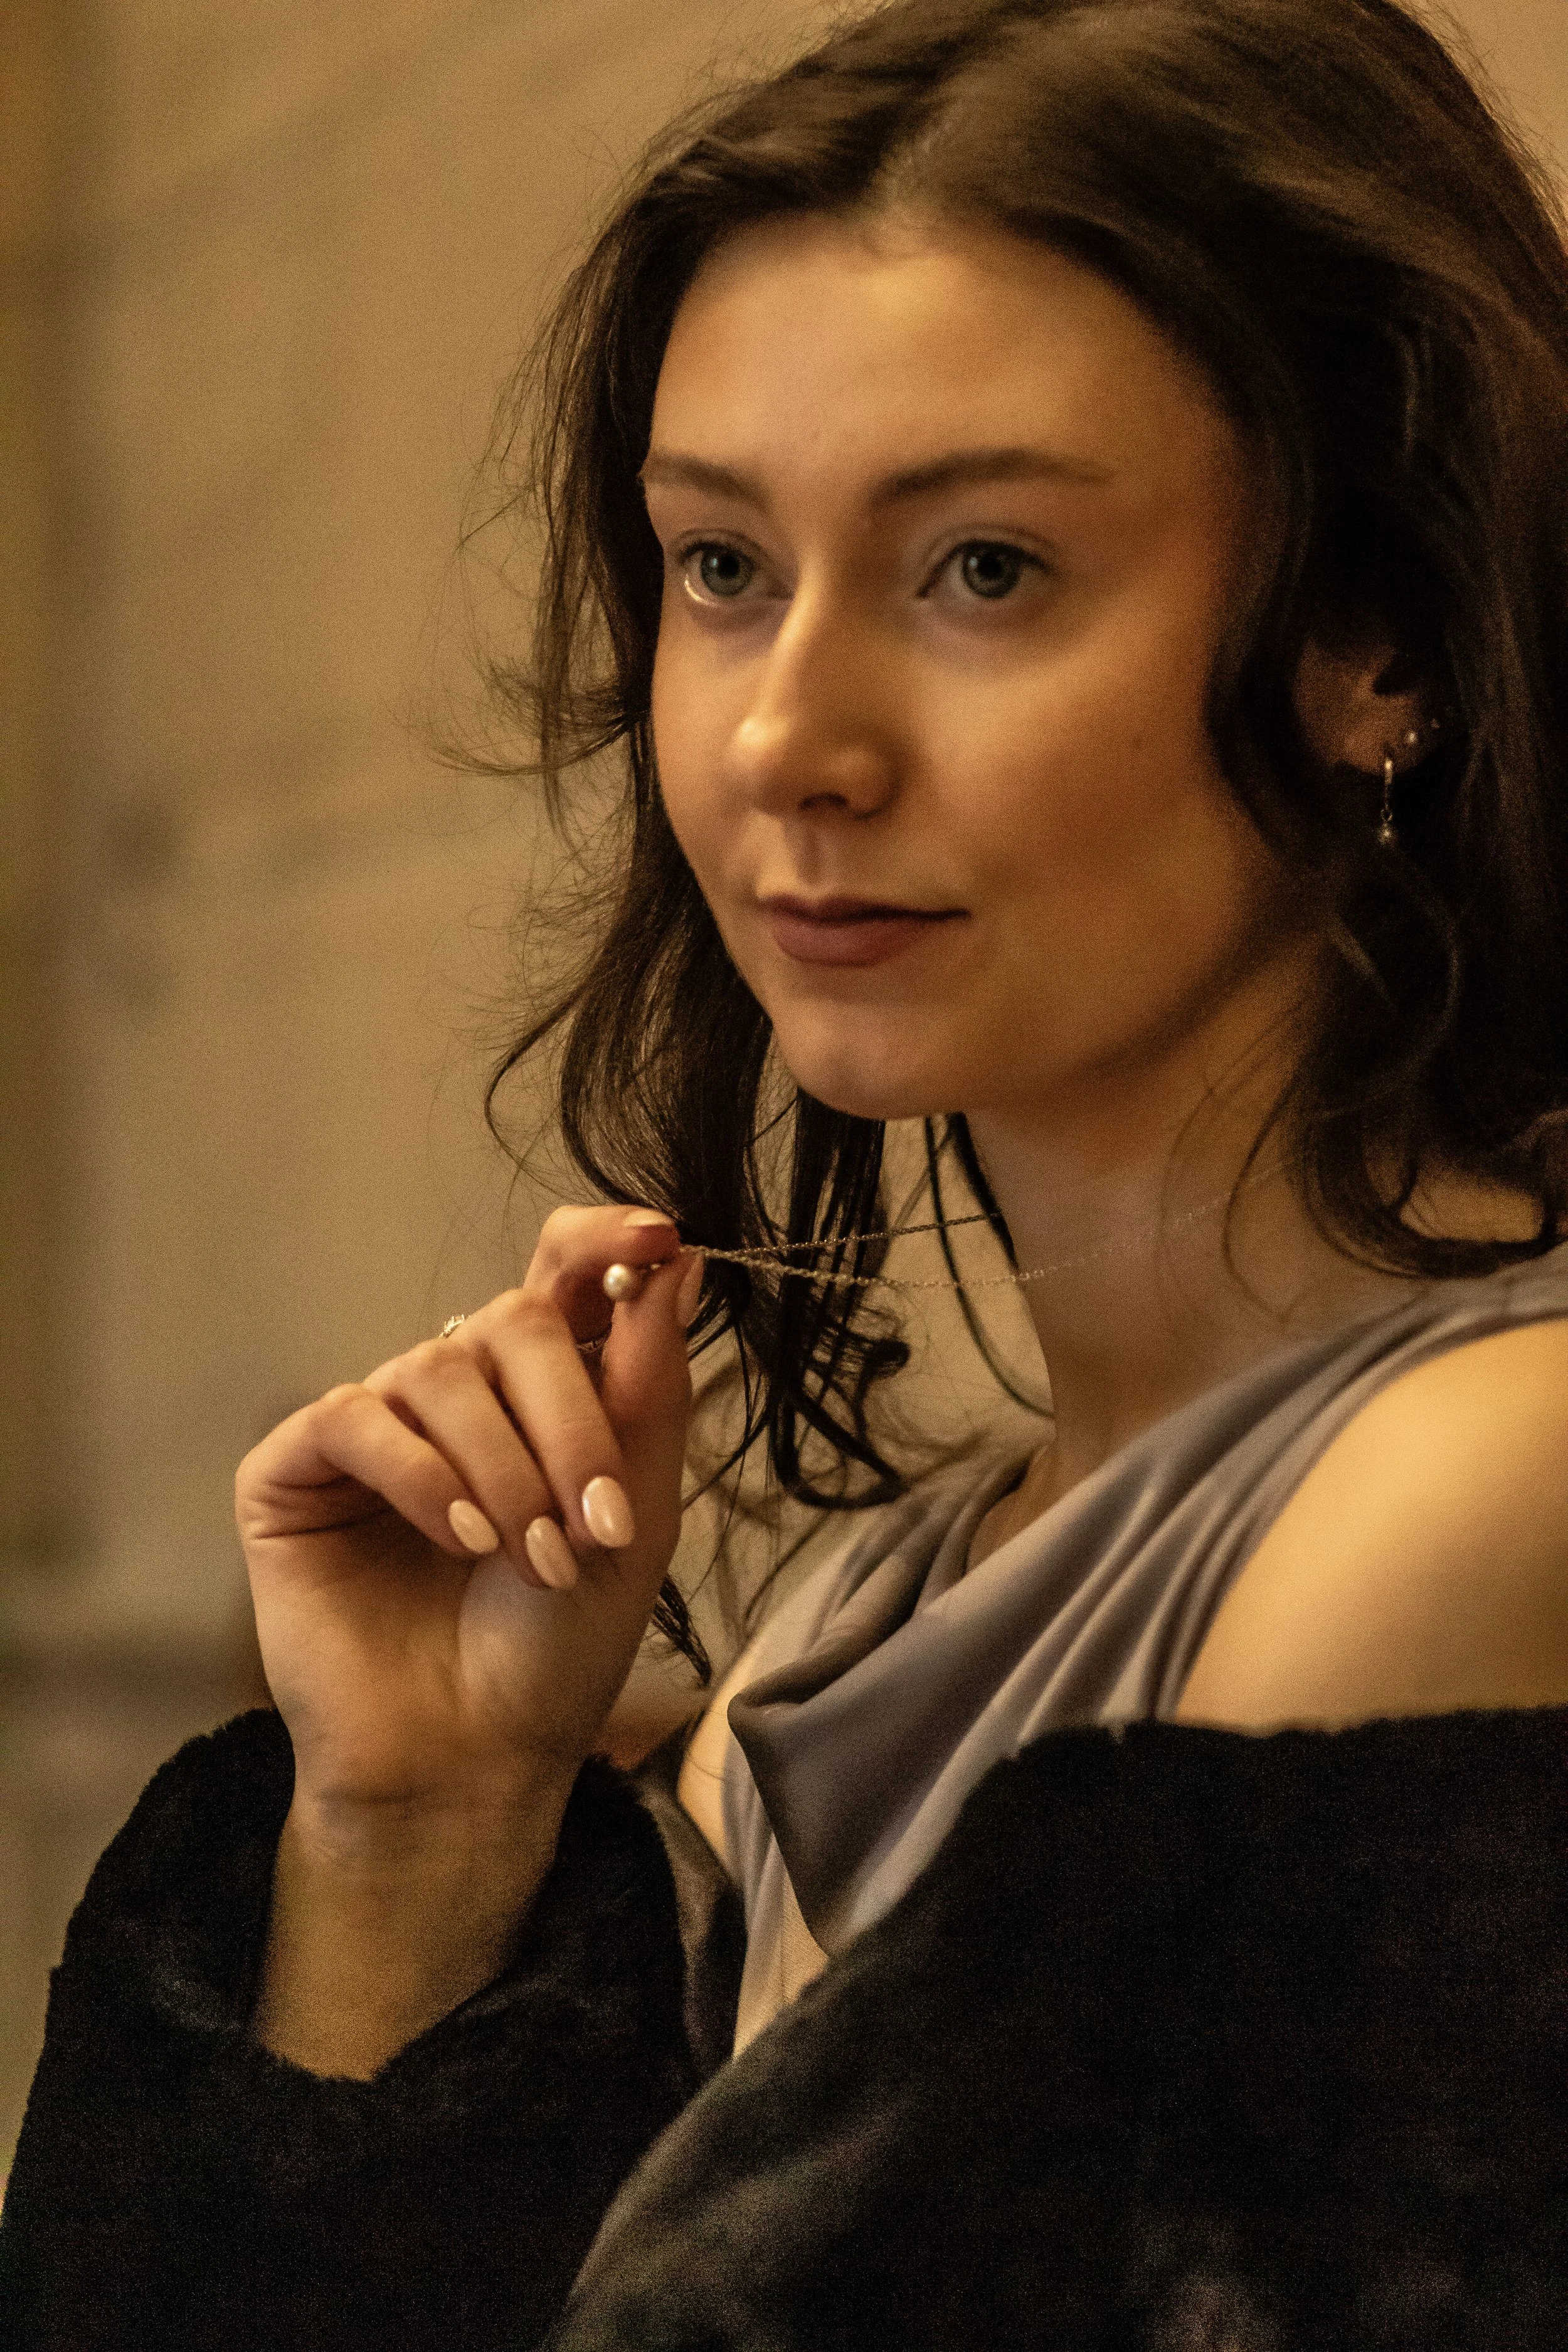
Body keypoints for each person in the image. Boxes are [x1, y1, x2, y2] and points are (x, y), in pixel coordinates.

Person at [4, 0, 1567, 2343]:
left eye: (986, 572)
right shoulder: (860, 1616)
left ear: (1381, 642)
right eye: (721, 566)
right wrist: (416, 1830)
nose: (785, 738)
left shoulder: (1471, 1487)